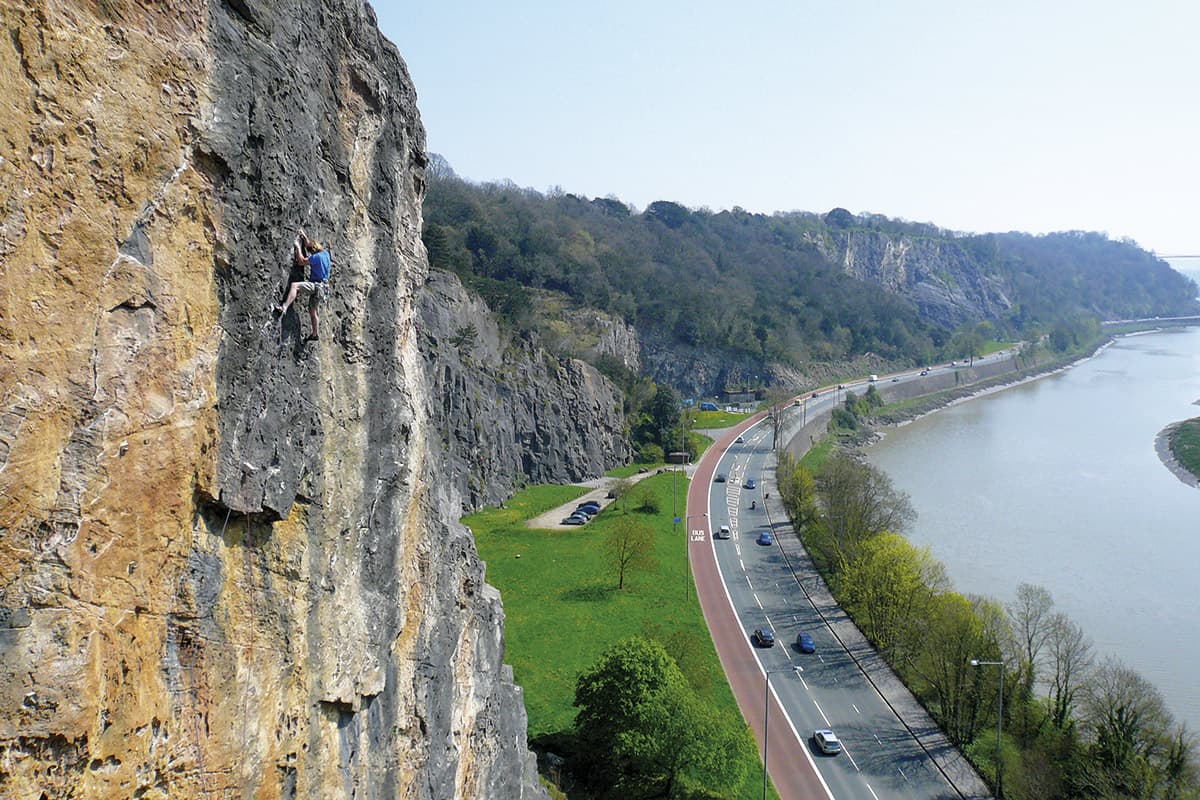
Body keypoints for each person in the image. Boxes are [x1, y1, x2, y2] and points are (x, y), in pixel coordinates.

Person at [274, 229, 330, 341]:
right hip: (324, 288)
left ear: (313, 251)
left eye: (311, 252)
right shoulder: (326, 254)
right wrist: (304, 237)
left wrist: (298, 247)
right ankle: (315, 334)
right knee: (313, 311)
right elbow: (310, 245)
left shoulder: (316, 257)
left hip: (316, 286)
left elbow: (301, 261)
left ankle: (284, 307)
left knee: (295, 286)